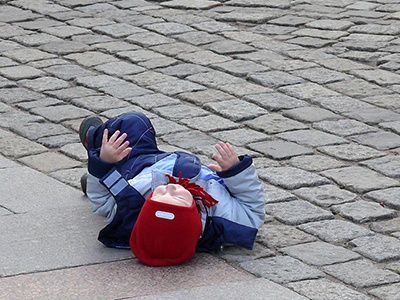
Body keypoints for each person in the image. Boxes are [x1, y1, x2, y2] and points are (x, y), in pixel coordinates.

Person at [80, 112, 265, 266]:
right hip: (166, 163)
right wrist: (235, 172)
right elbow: (253, 209)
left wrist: (103, 164)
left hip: (132, 165)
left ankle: (94, 141)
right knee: (137, 125)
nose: (170, 188)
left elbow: (103, 201)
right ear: (194, 217)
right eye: (177, 198)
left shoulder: (132, 206)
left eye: (158, 195)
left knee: (133, 123)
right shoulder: (224, 219)